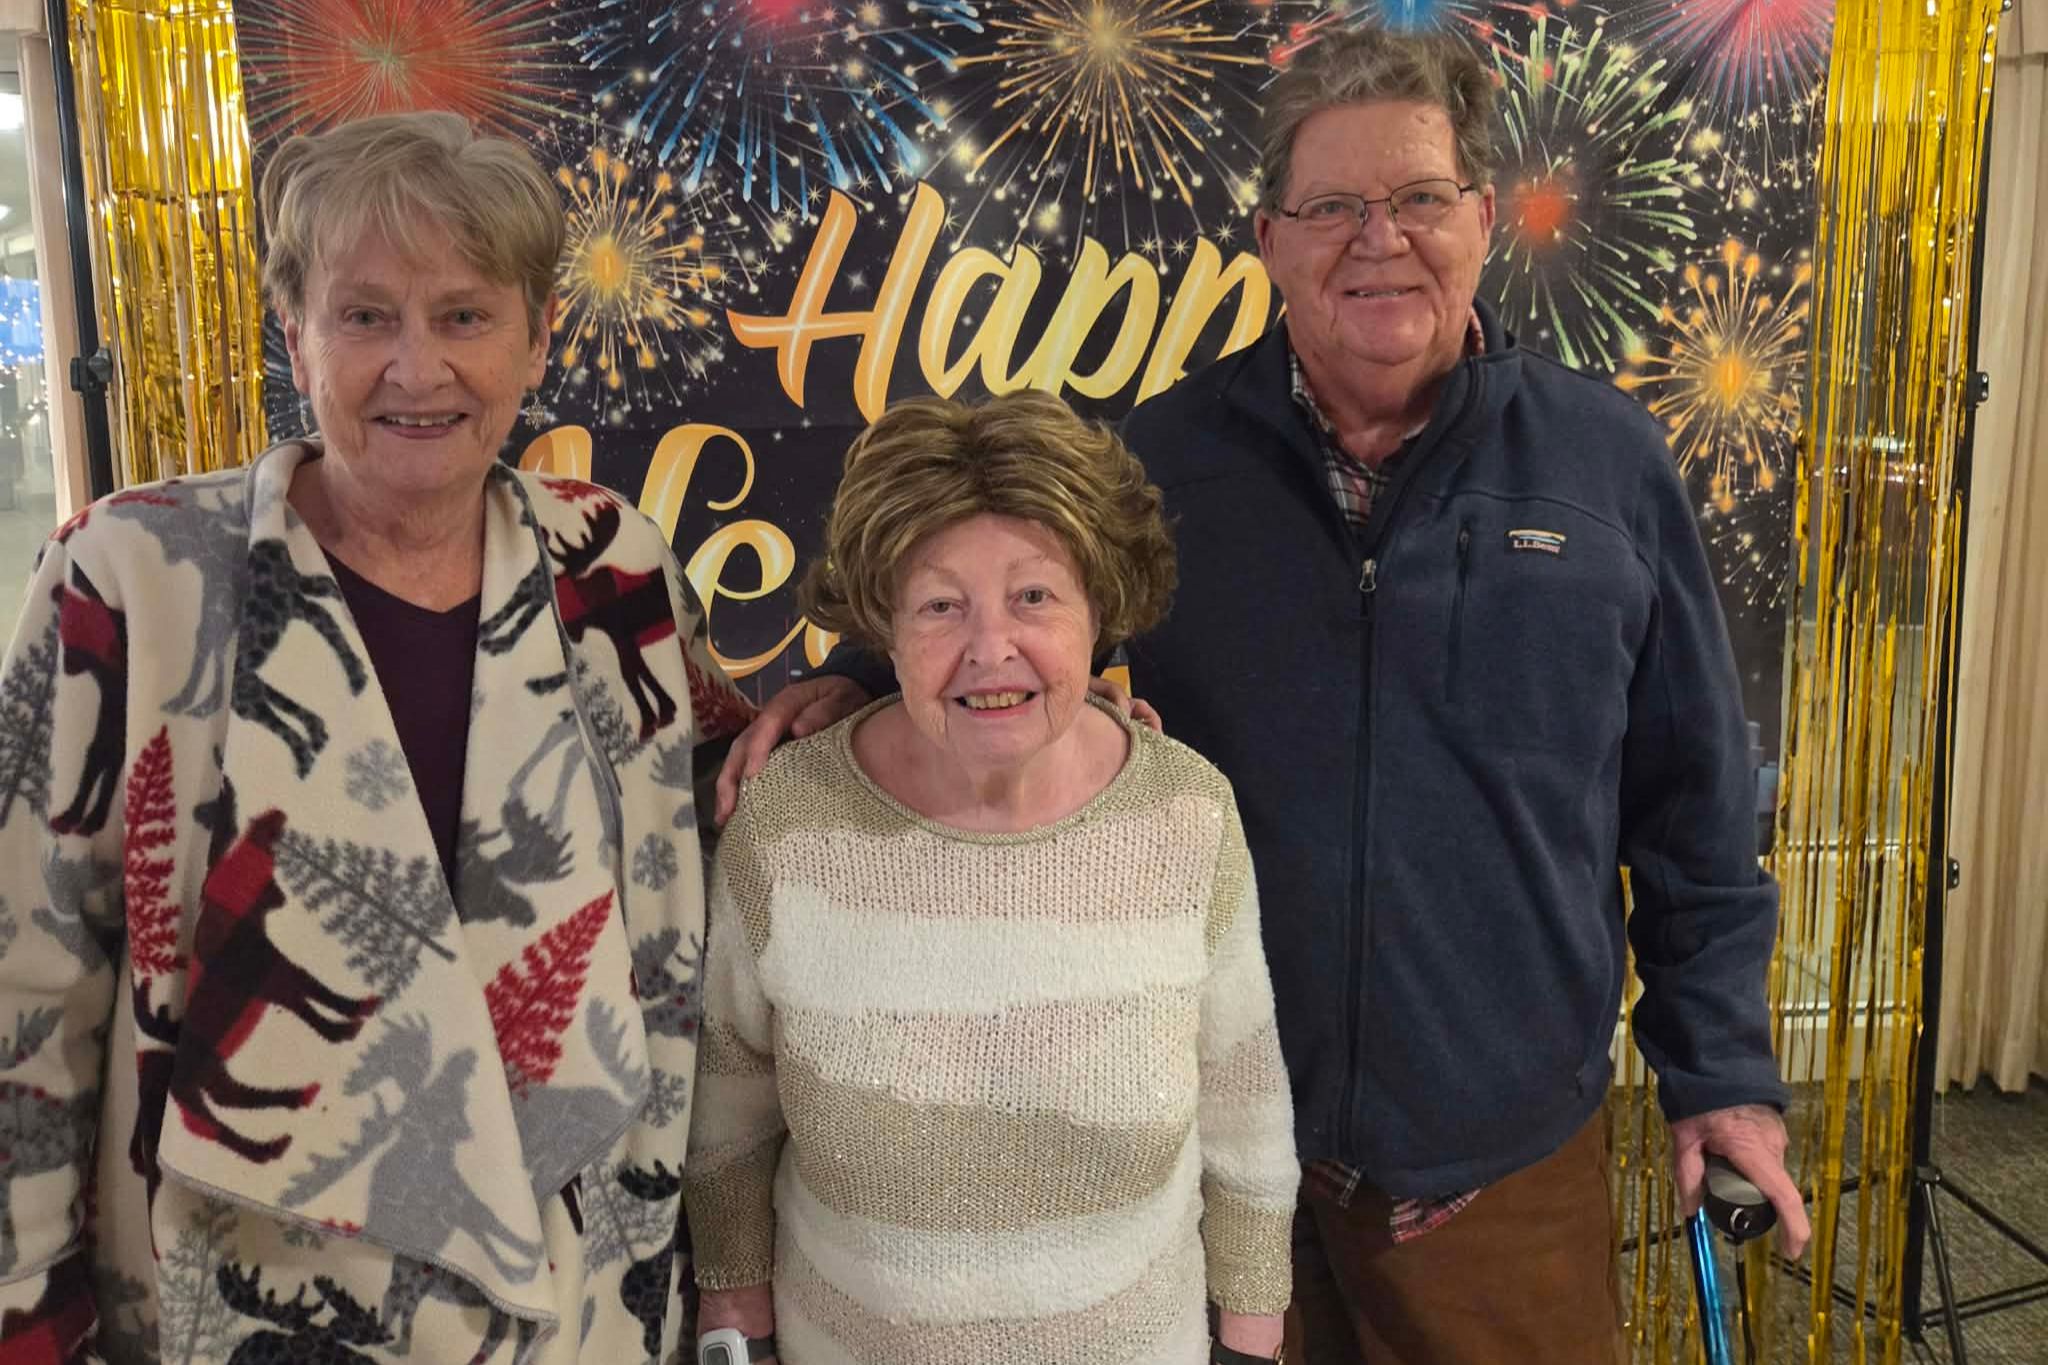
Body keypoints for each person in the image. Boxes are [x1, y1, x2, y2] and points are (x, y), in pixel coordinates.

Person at [717, 26, 1813, 1364]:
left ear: (1480, 218)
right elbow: (1012, 604)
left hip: (1496, 1178)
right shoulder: (1172, 456)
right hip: (1219, 1160)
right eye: (1333, 207)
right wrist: (854, 676)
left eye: (1417, 198)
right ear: (1270, 238)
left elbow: (1694, 804)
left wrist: (1725, 1074)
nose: (1379, 240)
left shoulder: (1608, 467)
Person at [0, 112, 756, 1363]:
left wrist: (885, 698)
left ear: (537, 336)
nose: (417, 369)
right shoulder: (130, 575)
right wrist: (30, 1323)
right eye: (365, 317)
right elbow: (25, 984)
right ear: (292, 328)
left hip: (571, 1304)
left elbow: (724, 780)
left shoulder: (606, 558)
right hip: (245, 1299)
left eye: (465, 316)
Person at [685, 391, 1299, 1364]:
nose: (989, 648)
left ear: (1101, 612)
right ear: (880, 624)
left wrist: (1250, 1344)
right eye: (938, 605)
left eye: (1033, 597)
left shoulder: (1186, 815)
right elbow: (729, 1121)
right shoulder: (785, 822)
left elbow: (1244, 1117)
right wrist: (735, 1326)